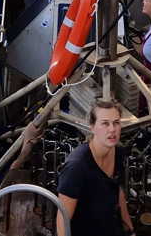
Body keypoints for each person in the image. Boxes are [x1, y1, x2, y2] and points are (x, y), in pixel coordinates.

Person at [56, 100, 135, 236]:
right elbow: (62, 220)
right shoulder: (76, 168)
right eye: (105, 123)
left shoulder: (117, 152)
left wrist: (130, 231)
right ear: (92, 127)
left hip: (107, 224)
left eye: (116, 122)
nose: (112, 129)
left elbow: (117, 191)